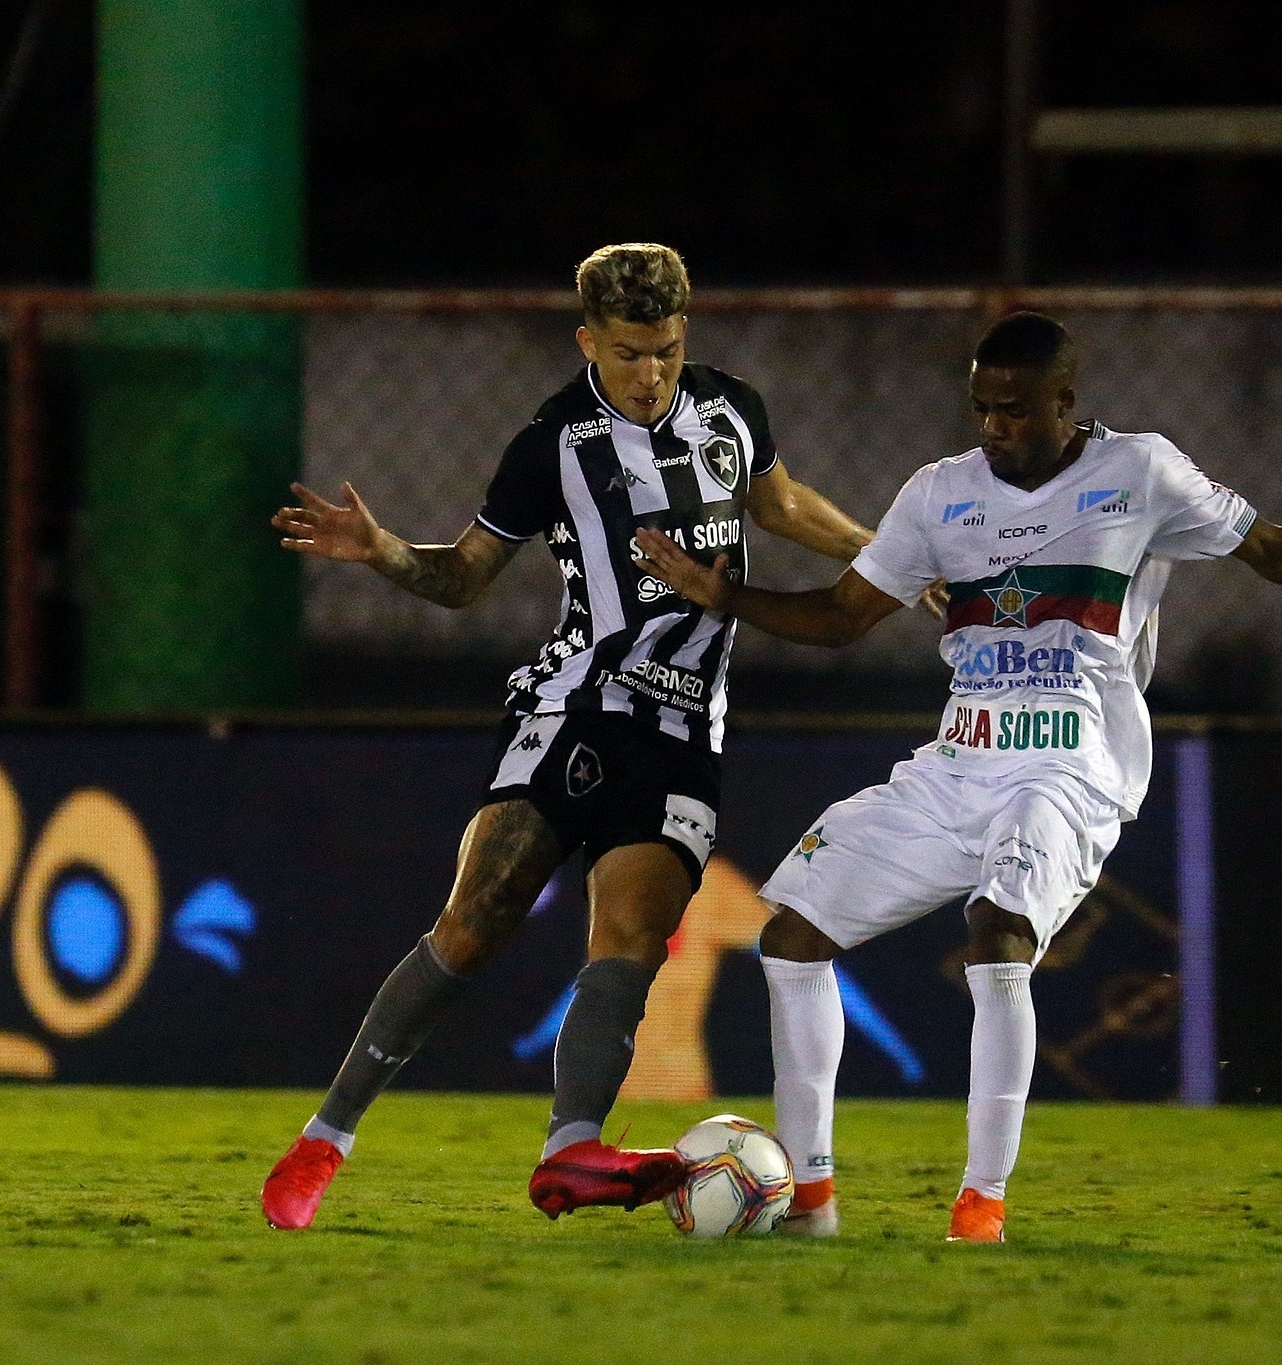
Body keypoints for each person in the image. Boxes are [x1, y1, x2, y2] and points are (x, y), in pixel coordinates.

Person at [633, 311, 1282, 1243]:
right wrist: (723, 593)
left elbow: (1270, 547)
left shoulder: (1140, 472)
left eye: (1014, 410)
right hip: (958, 760)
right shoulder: (938, 494)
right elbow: (843, 616)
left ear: (1065, 402)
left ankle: (980, 1206)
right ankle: (811, 1204)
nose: (993, 427)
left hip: (1071, 763)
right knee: (793, 937)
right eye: (981, 408)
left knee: (998, 929)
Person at [259, 242, 892, 1229]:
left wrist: (883, 548)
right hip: (574, 705)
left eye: (667, 352)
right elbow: (466, 576)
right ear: (586, 340)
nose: (649, 375)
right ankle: (321, 1143)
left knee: (634, 935)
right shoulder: (549, 444)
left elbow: (776, 504)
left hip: (684, 734)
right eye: (629, 353)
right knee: (477, 919)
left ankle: (569, 1153)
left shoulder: (731, 409)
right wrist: (381, 551)